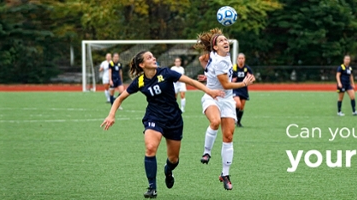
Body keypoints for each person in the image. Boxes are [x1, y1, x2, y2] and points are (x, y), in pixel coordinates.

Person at [100, 51, 224, 198]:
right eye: (149, 58)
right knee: (150, 148)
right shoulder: (140, 81)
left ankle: (168, 171)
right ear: (142, 64)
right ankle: (152, 187)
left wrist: (210, 91)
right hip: (154, 117)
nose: (153, 58)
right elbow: (120, 98)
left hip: (173, 119)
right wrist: (111, 115)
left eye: (153, 56)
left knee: (173, 159)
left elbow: (191, 81)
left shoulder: (166, 73)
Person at [194, 28, 255, 190]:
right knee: (214, 121)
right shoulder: (219, 61)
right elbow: (226, 84)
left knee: (228, 136)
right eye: (220, 41)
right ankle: (207, 152)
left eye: (225, 40)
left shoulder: (221, 56)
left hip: (227, 99)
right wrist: (244, 83)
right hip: (213, 96)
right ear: (215, 47)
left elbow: (203, 59)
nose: (225, 42)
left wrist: (208, 73)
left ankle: (225, 174)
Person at [231, 53, 253, 127]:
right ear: (237, 59)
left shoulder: (247, 68)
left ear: (244, 59)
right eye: (239, 58)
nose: (241, 60)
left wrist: (250, 78)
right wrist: (232, 80)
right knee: (238, 104)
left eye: (242, 58)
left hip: (243, 89)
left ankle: (238, 122)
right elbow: (227, 78)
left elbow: (253, 78)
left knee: (241, 107)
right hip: (235, 88)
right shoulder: (233, 68)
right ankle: (233, 119)